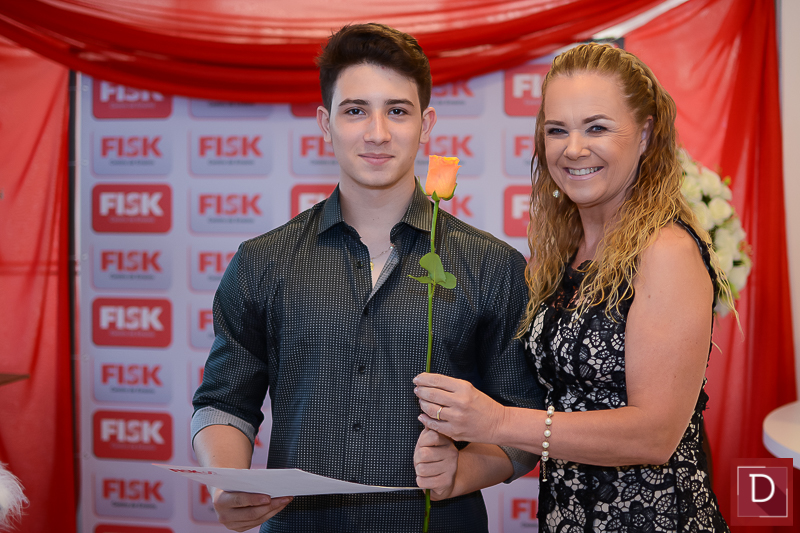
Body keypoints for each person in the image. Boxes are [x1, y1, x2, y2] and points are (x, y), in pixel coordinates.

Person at [191, 23, 544, 533]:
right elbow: (223, 401)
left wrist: (464, 470)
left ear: (426, 124)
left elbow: (523, 419)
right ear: (325, 123)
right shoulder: (263, 261)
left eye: (397, 111)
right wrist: (226, 483)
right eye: (355, 110)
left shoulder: (492, 266)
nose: (377, 133)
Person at [413, 43, 732, 532]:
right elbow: (560, 411)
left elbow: (654, 435)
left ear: (645, 134)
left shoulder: (665, 250)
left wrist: (495, 420)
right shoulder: (564, 253)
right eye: (557, 129)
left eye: (597, 127)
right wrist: (462, 470)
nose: (573, 148)